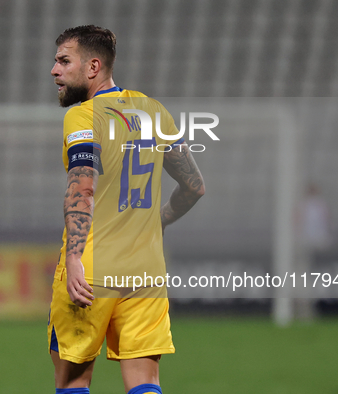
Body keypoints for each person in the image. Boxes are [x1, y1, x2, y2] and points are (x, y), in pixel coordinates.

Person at [48, 25, 205, 394]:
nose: (54, 70)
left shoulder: (84, 116)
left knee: (73, 381)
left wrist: (73, 259)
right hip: (145, 272)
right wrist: (159, 221)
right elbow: (195, 187)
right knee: (145, 383)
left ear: (93, 67)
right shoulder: (153, 111)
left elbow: (82, 186)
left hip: (92, 269)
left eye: (63, 61)